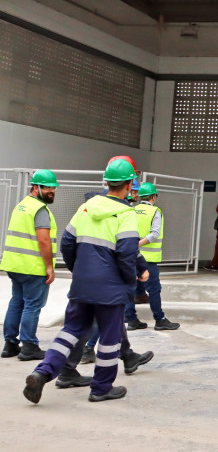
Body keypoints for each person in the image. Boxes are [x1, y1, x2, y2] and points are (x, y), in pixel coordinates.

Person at [23, 158, 147, 404]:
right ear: (129, 183)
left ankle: (43, 372)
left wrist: (78, 269)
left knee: (70, 331)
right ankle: (101, 388)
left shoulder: (86, 208)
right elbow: (126, 253)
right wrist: (129, 283)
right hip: (110, 288)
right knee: (111, 338)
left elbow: (67, 242)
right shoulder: (126, 214)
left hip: (82, 283)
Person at [1, 170, 59, 361]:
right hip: (32, 267)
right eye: (47, 187)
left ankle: (10, 344)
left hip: (15, 265)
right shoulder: (40, 210)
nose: (52, 191)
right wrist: (49, 266)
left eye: (53, 187)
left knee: (17, 302)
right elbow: (44, 240)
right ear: (36, 187)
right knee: (32, 306)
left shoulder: (21, 206)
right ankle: (29, 346)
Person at [124, 182, 180, 331]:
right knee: (154, 289)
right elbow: (154, 234)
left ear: (141, 196)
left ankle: (131, 320)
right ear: (153, 197)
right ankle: (160, 319)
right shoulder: (155, 211)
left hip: (131, 257)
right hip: (148, 259)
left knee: (131, 288)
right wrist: (139, 244)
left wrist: (132, 246)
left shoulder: (132, 210)